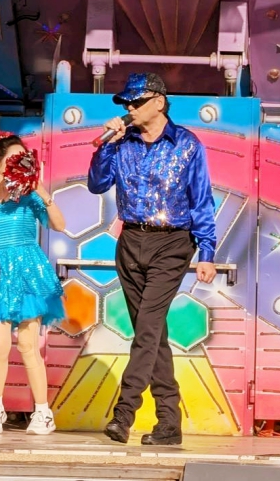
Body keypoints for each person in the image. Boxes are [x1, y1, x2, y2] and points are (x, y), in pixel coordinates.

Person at [88, 73, 218, 446]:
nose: (129, 108)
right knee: (153, 334)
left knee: (147, 328)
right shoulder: (123, 143)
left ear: (158, 102)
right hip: (131, 240)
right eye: (126, 103)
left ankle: (123, 414)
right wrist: (107, 145)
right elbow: (97, 184)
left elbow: (201, 200)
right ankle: (169, 424)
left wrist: (207, 252)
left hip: (173, 243)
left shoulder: (187, 145)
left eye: (136, 101)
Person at [0, 133, 65, 435]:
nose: (19, 162)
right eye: (13, 158)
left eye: (23, 157)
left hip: (28, 274)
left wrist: (40, 189)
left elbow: (59, 224)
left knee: (27, 345)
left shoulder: (29, 195)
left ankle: (43, 413)